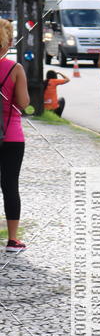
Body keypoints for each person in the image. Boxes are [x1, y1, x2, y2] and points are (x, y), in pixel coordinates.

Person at [0, 18, 29, 252]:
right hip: (11, 136)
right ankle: (12, 240)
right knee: (10, 185)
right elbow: (24, 102)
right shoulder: (15, 68)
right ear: (9, 42)